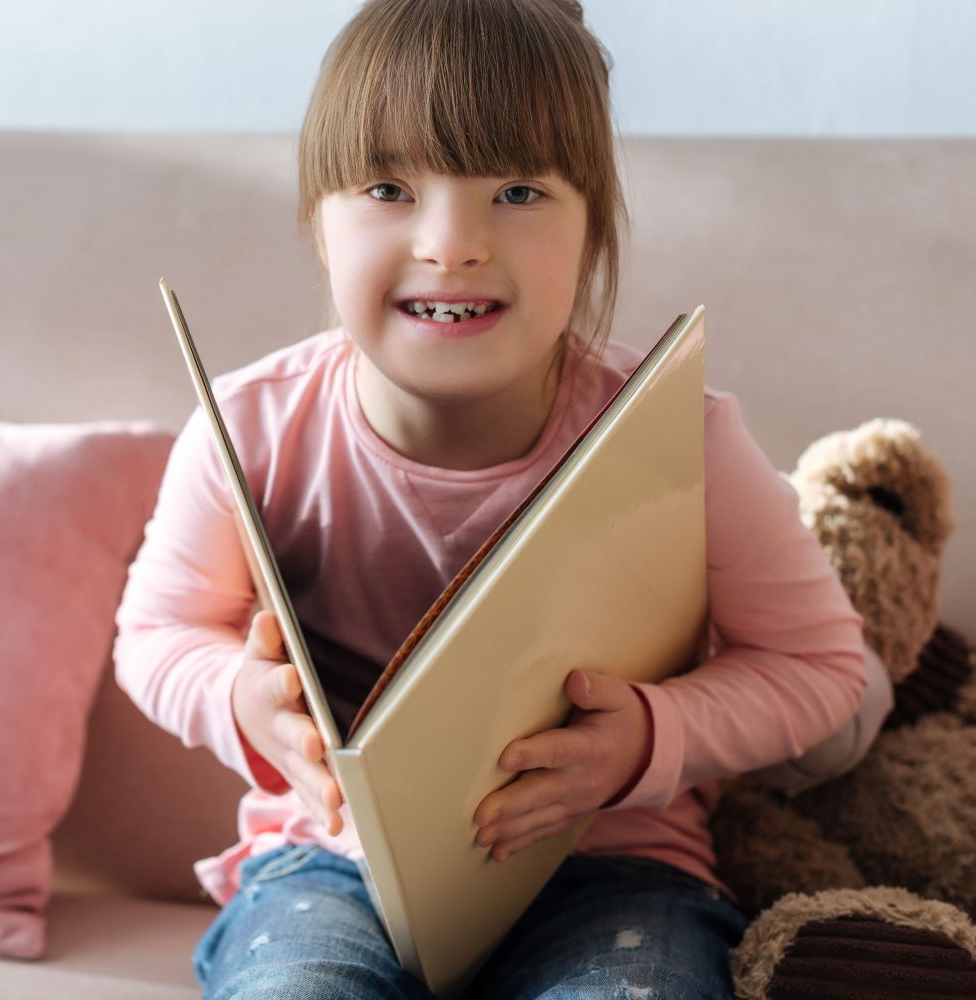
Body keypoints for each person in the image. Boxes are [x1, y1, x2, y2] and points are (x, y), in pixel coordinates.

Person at [113, 1, 883, 996]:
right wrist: (239, 700)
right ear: (318, 225)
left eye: (516, 190)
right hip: (334, 869)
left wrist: (650, 736)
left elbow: (821, 668)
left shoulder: (681, 436)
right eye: (389, 187)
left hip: (611, 871)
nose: (453, 243)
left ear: (593, 231)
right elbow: (154, 635)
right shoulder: (249, 429)